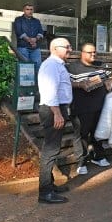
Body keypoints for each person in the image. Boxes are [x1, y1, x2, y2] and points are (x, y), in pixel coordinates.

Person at [37, 37, 73, 204]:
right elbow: (50, 91)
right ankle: (45, 192)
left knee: (52, 150)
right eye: (67, 47)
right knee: (50, 151)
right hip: (53, 111)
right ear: (55, 48)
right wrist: (57, 114)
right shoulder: (51, 65)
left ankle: (49, 185)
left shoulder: (58, 65)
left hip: (56, 109)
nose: (70, 49)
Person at [68, 43, 112, 175]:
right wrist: (80, 84)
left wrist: (111, 80)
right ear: (82, 53)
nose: (93, 55)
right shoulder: (72, 67)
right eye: (89, 53)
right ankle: (81, 161)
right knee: (81, 134)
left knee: (98, 133)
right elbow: (66, 83)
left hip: (100, 105)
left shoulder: (101, 65)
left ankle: (98, 156)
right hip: (81, 107)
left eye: (94, 52)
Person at [14, 3, 44, 70]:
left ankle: (36, 80)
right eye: (27, 9)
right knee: (25, 67)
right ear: (24, 10)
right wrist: (30, 41)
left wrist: (35, 39)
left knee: (37, 66)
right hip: (23, 47)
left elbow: (41, 32)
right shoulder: (18, 20)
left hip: (35, 48)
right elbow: (19, 32)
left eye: (31, 9)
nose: (30, 11)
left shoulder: (37, 21)